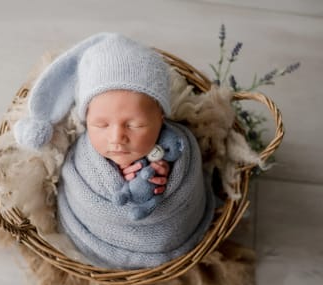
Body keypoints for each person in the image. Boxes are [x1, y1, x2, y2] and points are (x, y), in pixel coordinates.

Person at [14, 32, 215, 269]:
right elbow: (79, 193)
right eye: (101, 125)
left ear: (161, 117)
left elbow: (186, 184)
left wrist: (164, 173)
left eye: (134, 125)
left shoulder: (176, 146)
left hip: (176, 232)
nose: (117, 137)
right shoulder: (82, 160)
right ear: (86, 120)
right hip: (95, 235)